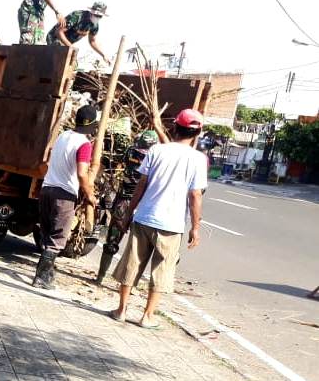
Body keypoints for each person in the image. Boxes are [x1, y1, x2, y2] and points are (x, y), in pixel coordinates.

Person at [109, 109, 207, 328]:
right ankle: (148, 316)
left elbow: (141, 185)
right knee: (162, 269)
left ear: (174, 128)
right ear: (197, 133)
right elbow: (195, 195)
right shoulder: (198, 159)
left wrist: (129, 214)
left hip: (144, 217)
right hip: (171, 225)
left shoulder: (157, 150)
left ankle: (121, 310)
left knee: (131, 263)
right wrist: (195, 227)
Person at [33, 105, 98, 290]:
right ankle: (41, 278)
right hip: (64, 195)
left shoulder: (63, 136)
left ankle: (47, 274)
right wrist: (90, 195)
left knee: (47, 235)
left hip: (47, 189)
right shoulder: (84, 144)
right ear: (93, 125)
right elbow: (82, 174)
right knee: (58, 238)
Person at [96, 130, 159, 284]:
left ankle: (100, 277)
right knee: (140, 249)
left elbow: (120, 164)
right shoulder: (155, 157)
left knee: (112, 241)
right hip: (143, 206)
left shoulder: (130, 151)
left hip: (123, 204)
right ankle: (130, 284)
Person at [46, 3, 111, 65]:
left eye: (100, 16)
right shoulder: (77, 16)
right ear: (92, 12)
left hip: (67, 45)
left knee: (73, 63)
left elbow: (92, 41)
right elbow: (59, 32)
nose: (98, 17)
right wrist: (70, 46)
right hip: (54, 38)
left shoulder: (94, 25)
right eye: (97, 15)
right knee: (60, 58)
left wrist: (103, 55)